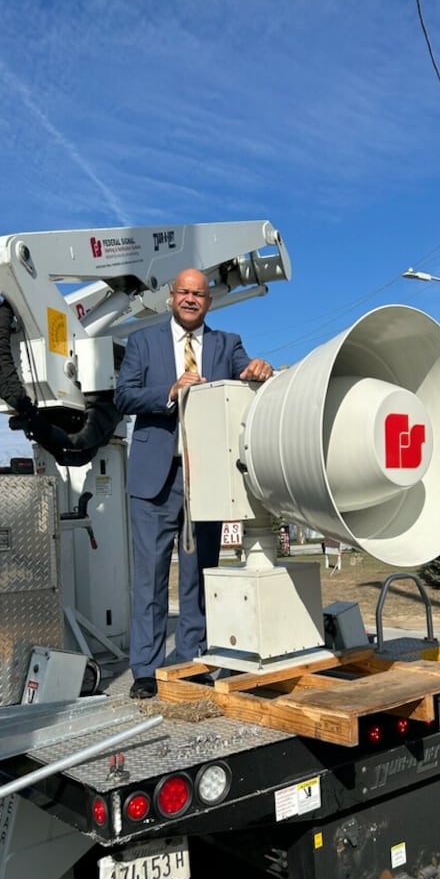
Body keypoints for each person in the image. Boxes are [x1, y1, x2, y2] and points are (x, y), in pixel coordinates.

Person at [114, 268, 273, 699]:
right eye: (183, 291)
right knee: (148, 578)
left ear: (209, 301)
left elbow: (248, 375)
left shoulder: (227, 344)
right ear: (171, 296)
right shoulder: (143, 342)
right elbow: (124, 395)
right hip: (154, 480)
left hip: (207, 478)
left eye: (198, 294)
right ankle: (146, 670)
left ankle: (191, 660)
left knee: (199, 577)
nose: (190, 299)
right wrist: (169, 391)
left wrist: (260, 368)